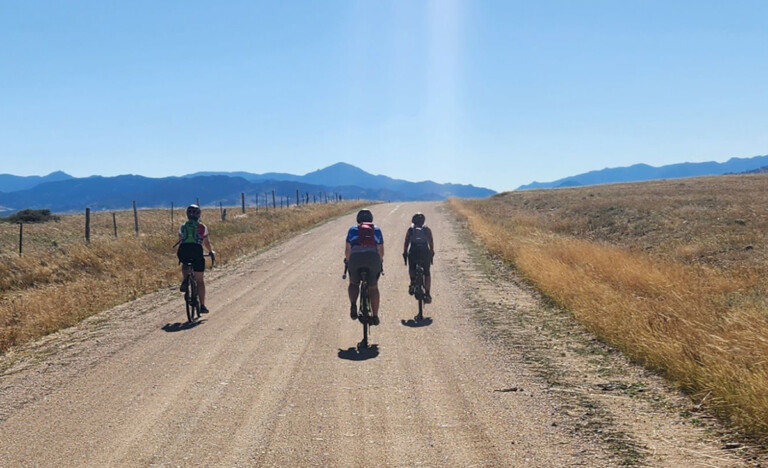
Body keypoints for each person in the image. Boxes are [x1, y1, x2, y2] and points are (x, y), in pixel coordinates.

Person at [345, 209, 384, 325]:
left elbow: (347, 250)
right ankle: (375, 316)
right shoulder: (377, 230)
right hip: (372, 258)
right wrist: (379, 261)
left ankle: (353, 304)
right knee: (373, 288)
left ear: (358, 219)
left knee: (353, 284)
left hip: (355, 258)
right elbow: (381, 251)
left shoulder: (352, 230)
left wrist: (348, 261)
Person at [177, 204, 215, 314]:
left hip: (183, 250)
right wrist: (210, 252)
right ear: (199, 215)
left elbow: (181, 240)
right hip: (196, 251)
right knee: (199, 280)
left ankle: (185, 279)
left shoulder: (182, 226)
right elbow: (206, 242)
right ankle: (202, 306)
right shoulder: (202, 227)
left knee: (185, 263)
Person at [403, 212, 434, 303]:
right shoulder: (427, 230)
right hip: (424, 251)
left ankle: (413, 282)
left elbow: (406, 242)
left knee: (411, 268)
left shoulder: (410, 230)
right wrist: (431, 252)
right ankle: (427, 293)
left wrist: (405, 252)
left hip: (413, 251)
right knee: (427, 273)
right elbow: (431, 242)